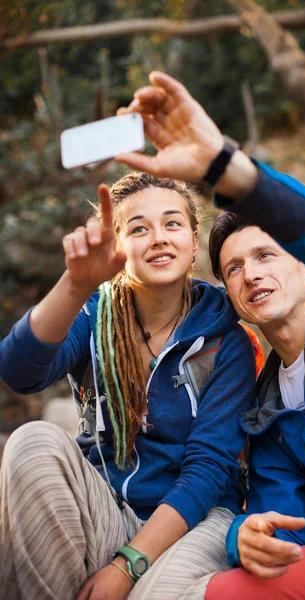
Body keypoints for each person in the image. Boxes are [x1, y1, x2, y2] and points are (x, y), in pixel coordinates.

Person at [114, 72, 305, 599]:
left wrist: (230, 170)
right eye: (234, 268)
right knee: (233, 590)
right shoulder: (269, 414)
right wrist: (243, 538)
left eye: (266, 255)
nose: (251, 274)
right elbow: (277, 522)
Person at [0, 172, 256, 600]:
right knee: (32, 440)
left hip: (196, 517)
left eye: (172, 224)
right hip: (107, 506)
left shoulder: (225, 341)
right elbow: (19, 372)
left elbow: (207, 472)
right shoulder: (95, 315)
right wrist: (77, 283)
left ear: (193, 241)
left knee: (146, 595)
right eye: (138, 228)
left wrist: (127, 566)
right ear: (118, 246)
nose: (158, 237)